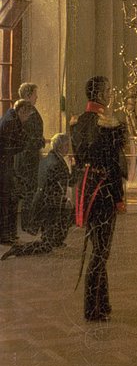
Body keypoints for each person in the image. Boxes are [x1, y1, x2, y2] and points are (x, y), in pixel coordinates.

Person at [71, 76, 128, 322]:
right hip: (103, 191)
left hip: (86, 189)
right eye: (108, 90)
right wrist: (119, 198)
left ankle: (103, 303)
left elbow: (79, 160)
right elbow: (113, 165)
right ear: (100, 94)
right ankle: (92, 308)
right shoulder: (108, 123)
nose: (110, 94)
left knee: (98, 249)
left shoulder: (78, 122)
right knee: (101, 252)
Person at [2, 133, 73, 257]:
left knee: (49, 239)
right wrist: (64, 199)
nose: (68, 148)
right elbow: (57, 186)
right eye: (66, 145)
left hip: (45, 203)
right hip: (50, 205)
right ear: (60, 146)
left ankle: (53, 241)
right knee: (46, 245)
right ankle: (19, 249)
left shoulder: (50, 158)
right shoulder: (56, 162)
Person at [14, 81, 44, 234]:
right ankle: (27, 225)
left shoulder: (29, 110)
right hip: (27, 159)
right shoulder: (25, 112)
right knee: (28, 192)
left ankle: (28, 224)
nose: (36, 97)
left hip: (29, 158)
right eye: (34, 94)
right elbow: (28, 138)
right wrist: (40, 141)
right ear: (28, 95)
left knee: (30, 191)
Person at [0, 98, 31, 244]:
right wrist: (23, 143)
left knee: (10, 200)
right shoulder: (10, 122)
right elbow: (8, 148)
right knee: (7, 201)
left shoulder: (11, 119)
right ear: (22, 111)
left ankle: (9, 234)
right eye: (28, 114)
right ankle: (5, 235)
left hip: (6, 166)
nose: (27, 118)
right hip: (3, 167)